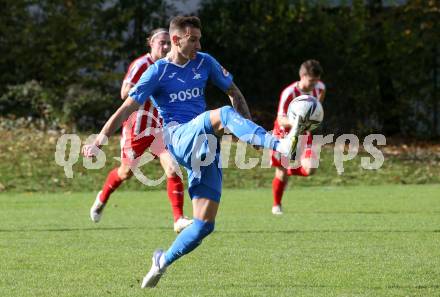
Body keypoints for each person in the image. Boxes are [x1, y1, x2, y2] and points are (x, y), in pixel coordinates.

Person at [82, 16, 303, 288]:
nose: (199, 44)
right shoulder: (157, 71)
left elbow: (234, 91)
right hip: (179, 137)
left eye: (199, 38)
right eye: (193, 39)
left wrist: (251, 133)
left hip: (205, 147)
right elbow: (127, 106)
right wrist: (100, 139)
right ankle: (279, 144)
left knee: (204, 224)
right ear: (177, 40)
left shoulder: (204, 62)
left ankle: (161, 262)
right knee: (222, 114)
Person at [89, 28, 193, 234]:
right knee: (125, 173)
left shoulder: (171, 66)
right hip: (136, 129)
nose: (164, 47)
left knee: (172, 168)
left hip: (159, 128)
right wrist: (147, 86)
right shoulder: (141, 65)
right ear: (151, 44)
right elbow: (124, 92)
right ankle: (102, 197)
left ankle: (178, 219)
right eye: (160, 43)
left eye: (167, 43)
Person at [270, 60, 326, 215]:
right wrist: (298, 121)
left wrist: (313, 118)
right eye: (311, 81)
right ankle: (276, 205)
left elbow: (318, 107)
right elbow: (281, 119)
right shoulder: (289, 93)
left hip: (304, 132)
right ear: (302, 76)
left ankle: (290, 169)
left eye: (317, 80)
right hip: (284, 133)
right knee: (280, 172)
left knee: (311, 168)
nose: (314, 84)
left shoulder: (320, 88)